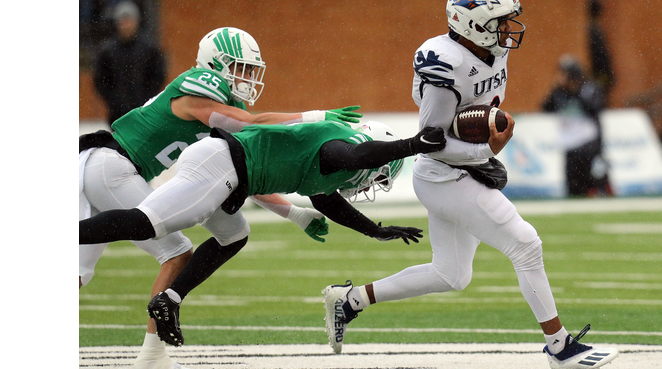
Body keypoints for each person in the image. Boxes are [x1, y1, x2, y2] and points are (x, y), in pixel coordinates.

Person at [321, 0, 619, 369]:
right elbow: (430, 140)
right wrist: (483, 151)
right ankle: (558, 346)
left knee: (451, 274)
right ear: (472, 24)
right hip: (442, 175)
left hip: (461, 170)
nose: (507, 29)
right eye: (498, 21)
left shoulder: (489, 49)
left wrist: (480, 150)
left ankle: (350, 300)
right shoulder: (445, 62)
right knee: (525, 243)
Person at [80, 26, 363, 369]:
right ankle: (152, 359)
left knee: (79, 273)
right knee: (176, 252)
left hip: (105, 165)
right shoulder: (201, 84)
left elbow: (245, 168)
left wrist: (294, 214)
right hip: (114, 166)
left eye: (250, 70)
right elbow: (249, 123)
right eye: (239, 67)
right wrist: (312, 117)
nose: (246, 77)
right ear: (213, 64)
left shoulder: (224, 104)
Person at [80, 120, 448, 348]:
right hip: (219, 162)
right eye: (380, 174)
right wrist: (412, 146)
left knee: (234, 235)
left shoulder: (331, 162)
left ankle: (170, 299)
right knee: (148, 222)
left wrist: (376, 231)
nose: (372, 184)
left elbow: (329, 203)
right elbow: (355, 158)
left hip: (229, 173)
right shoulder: (339, 146)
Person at [541, 55, 610, 197]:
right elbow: (546, 108)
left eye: (564, 73)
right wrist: (556, 89)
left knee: (594, 183)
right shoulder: (559, 92)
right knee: (573, 189)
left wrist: (575, 91)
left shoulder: (588, 88)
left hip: (588, 143)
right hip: (569, 144)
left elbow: (596, 107)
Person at [93, 0, 167, 126]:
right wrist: (114, 100)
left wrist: (146, 97)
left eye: (129, 20)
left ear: (136, 22)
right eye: (123, 21)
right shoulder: (107, 51)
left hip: (144, 111)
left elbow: (158, 75)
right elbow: (100, 80)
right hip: (117, 115)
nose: (126, 25)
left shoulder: (149, 49)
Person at [587, 0, 615, 95]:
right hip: (599, 76)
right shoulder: (594, 31)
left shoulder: (591, 31)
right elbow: (601, 55)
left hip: (597, 77)